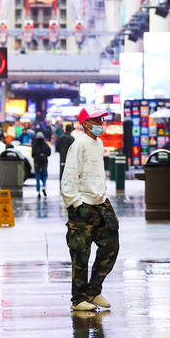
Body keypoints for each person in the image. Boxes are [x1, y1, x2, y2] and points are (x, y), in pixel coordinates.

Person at [60, 107, 119, 313]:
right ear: (85, 123)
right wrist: (75, 203)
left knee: (111, 246)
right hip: (82, 205)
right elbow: (69, 176)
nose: (100, 123)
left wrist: (105, 198)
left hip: (100, 203)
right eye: (96, 120)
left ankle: (93, 290)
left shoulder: (98, 143)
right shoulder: (78, 145)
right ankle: (78, 300)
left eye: (101, 119)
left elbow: (96, 174)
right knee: (80, 255)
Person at [31, 131, 51, 196]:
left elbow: (32, 154)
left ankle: (38, 190)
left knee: (37, 175)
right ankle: (44, 186)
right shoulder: (45, 144)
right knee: (45, 175)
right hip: (44, 162)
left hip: (36, 162)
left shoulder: (34, 145)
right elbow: (49, 153)